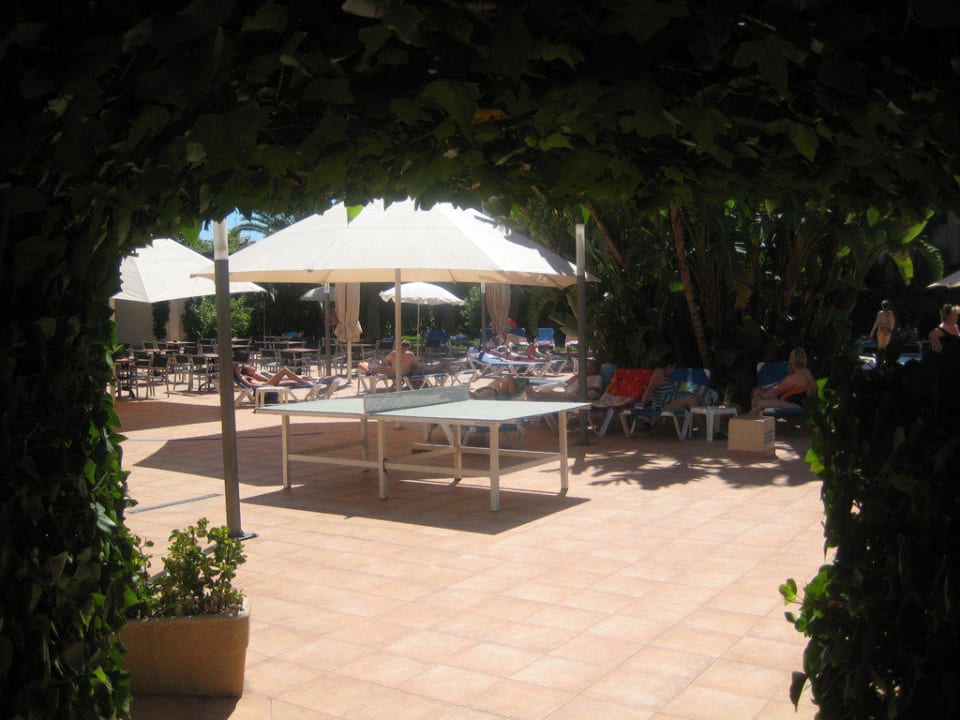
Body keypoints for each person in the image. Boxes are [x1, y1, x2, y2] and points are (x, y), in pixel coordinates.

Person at [748, 347, 815, 415]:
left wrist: (760, 395)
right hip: (799, 403)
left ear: (791, 361)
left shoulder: (794, 378)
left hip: (795, 405)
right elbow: (813, 389)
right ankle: (754, 418)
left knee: (760, 402)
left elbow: (775, 391)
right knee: (758, 395)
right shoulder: (807, 372)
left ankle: (749, 419)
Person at [638, 356, 705, 411]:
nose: (673, 370)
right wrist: (641, 405)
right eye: (673, 368)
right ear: (669, 366)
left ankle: (704, 421)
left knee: (700, 398)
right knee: (692, 400)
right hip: (664, 405)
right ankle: (699, 423)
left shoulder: (665, 374)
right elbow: (649, 389)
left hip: (674, 399)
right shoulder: (659, 372)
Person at [525, 359, 602, 401]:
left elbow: (597, 389)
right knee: (554, 392)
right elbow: (568, 382)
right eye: (586, 367)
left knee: (559, 395)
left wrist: (582, 390)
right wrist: (577, 376)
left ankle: (536, 396)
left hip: (583, 395)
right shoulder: (582, 376)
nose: (587, 369)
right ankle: (537, 395)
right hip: (572, 391)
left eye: (590, 368)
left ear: (595, 369)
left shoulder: (597, 377)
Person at [235, 364, 314, 387]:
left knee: (294, 381)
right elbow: (249, 385)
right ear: (248, 372)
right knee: (284, 370)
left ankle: (315, 381)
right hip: (265, 386)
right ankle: (305, 383)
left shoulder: (254, 376)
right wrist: (237, 373)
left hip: (268, 384)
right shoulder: (243, 377)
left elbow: (267, 380)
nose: (251, 366)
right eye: (249, 367)